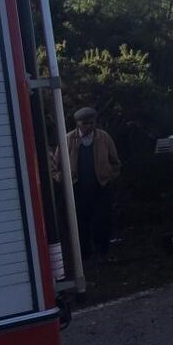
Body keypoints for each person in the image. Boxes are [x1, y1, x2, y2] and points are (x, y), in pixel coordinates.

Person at [54, 107, 122, 261]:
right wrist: (62, 179)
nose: (88, 126)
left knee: (102, 221)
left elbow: (115, 162)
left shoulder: (104, 138)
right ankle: (84, 255)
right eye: (84, 123)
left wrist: (110, 176)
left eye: (91, 123)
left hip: (101, 187)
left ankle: (102, 253)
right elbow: (54, 166)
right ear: (78, 124)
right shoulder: (68, 139)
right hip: (77, 189)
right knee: (80, 223)